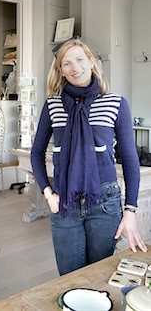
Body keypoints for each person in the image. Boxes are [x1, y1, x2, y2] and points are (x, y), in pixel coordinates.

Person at [31, 38, 147, 276]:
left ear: (92, 63)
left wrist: (130, 211)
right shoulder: (52, 105)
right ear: (61, 71)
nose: (75, 67)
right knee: (69, 279)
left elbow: (129, 160)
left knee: (98, 277)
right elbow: (37, 153)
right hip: (63, 202)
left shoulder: (116, 103)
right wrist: (48, 194)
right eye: (67, 63)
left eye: (80, 59)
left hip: (105, 202)